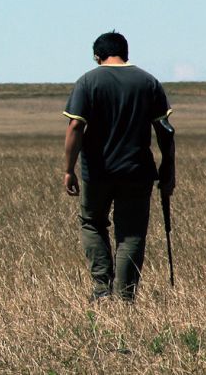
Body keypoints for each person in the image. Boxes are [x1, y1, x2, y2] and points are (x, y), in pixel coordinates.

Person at [62, 31, 176, 301]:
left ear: (96, 56)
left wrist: (68, 169)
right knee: (132, 233)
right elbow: (165, 131)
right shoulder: (149, 82)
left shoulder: (88, 81)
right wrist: (168, 170)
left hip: (97, 171)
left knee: (92, 222)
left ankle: (102, 290)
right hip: (138, 172)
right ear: (126, 53)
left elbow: (76, 125)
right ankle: (125, 296)